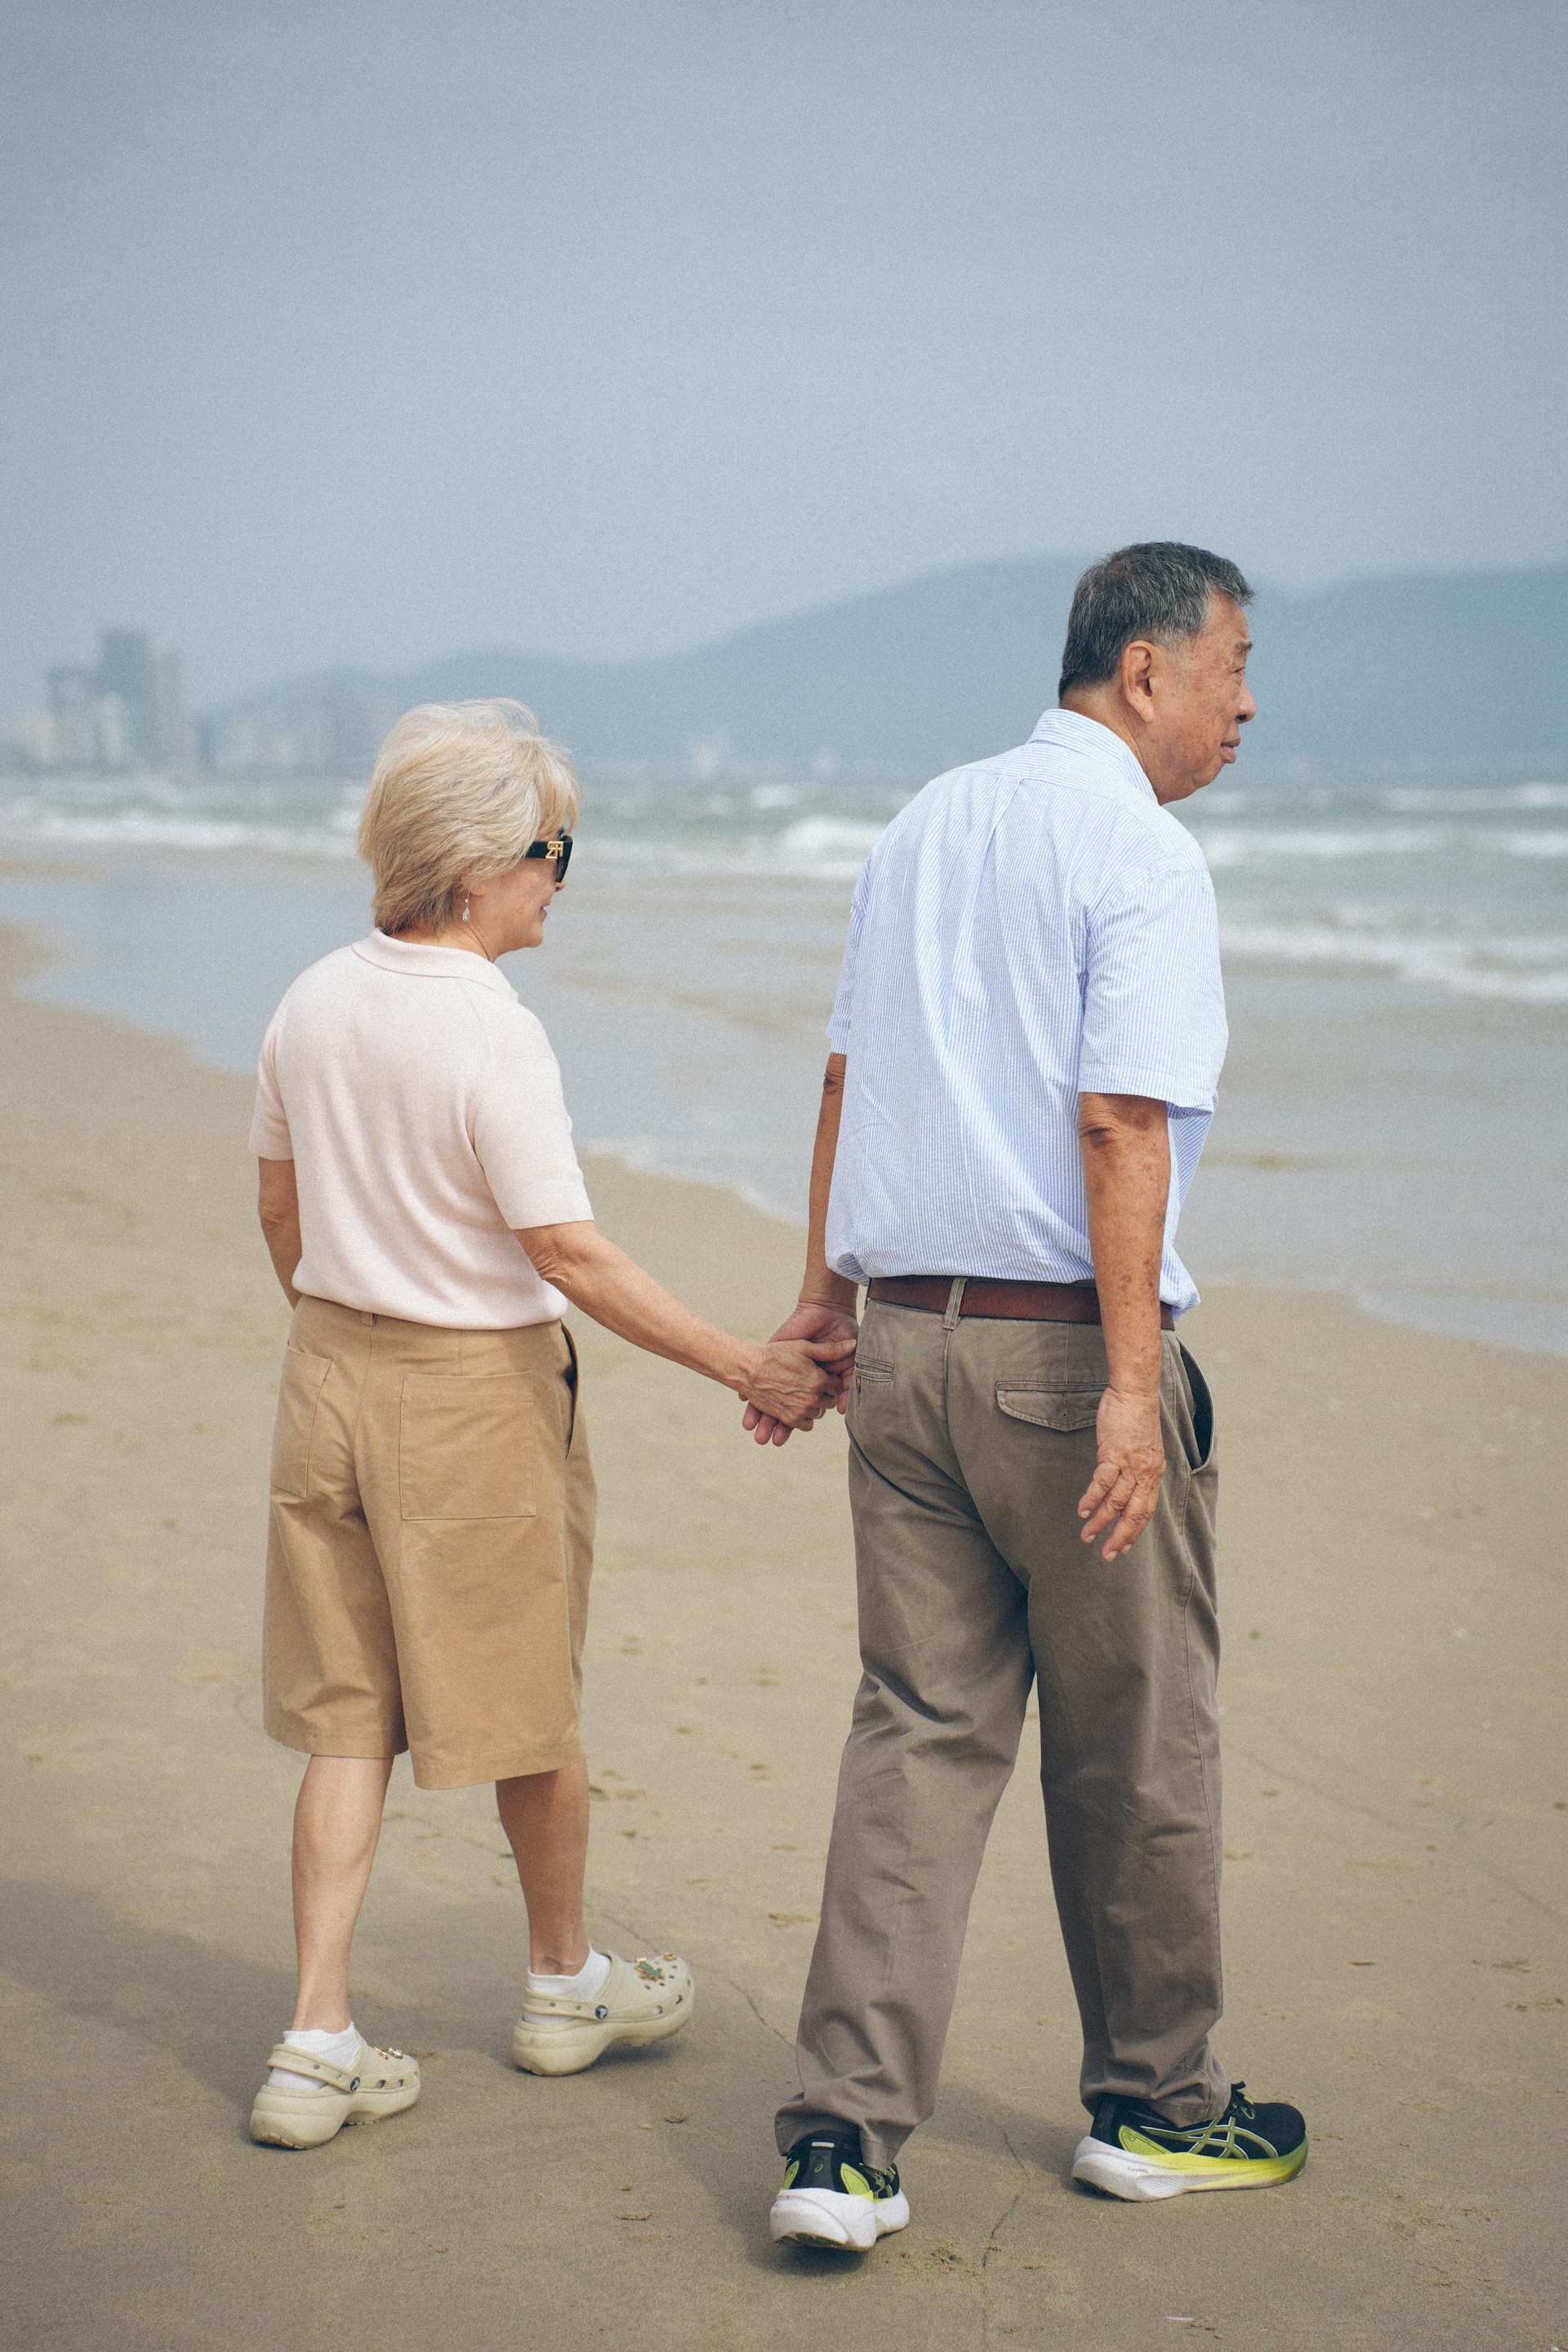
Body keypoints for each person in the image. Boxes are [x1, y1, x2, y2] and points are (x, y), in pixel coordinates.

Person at [749, 544, 1308, 2251]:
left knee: (916, 1732)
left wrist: (820, 1300)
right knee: (1134, 1738)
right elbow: (1121, 1123)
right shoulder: (1139, 848)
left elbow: (852, 1068)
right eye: (1232, 666)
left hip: (904, 1342)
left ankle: (840, 2145)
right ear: (1143, 672)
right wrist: (1135, 1388)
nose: (1247, 701)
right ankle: (1158, 2106)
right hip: (1063, 1355)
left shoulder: (924, 821)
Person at [246, 698, 845, 2151]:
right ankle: (563, 1980)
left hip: (326, 1371)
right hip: (472, 1394)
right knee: (527, 1696)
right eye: (553, 852)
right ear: (478, 868)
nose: (561, 879)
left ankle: (314, 2038)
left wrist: (350, 1318)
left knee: (347, 1717)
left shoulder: (312, 997)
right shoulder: (490, 1031)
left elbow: (281, 1208)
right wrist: (745, 1367)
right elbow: (568, 1254)